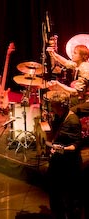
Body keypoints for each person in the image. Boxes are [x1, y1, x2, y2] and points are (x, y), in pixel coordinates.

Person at [43, 90, 83, 219]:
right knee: (54, 193)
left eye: (54, 106)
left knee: (68, 197)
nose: (52, 108)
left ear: (61, 106)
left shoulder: (72, 121)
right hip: (58, 161)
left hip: (69, 164)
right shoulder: (58, 117)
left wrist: (60, 149)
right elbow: (52, 137)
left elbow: (75, 146)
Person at [46, 44, 89, 118]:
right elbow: (66, 63)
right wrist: (54, 54)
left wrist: (59, 84)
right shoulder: (79, 64)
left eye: (75, 53)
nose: (72, 54)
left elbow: (76, 92)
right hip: (83, 98)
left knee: (69, 113)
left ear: (83, 56)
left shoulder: (85, 69)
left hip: (87, 100)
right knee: (61, 104)